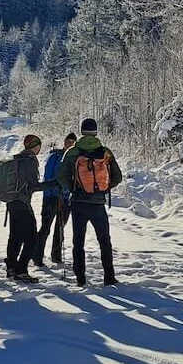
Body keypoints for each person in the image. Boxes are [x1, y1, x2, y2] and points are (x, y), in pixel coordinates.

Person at [57, 119, 122, 287]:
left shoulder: (72, 152)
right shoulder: (105, 151)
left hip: (78, 203)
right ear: (96, 131)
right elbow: (117, 177)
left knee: (78, 241)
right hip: (98, 204)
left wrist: (73, 188)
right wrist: (103, 188)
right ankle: (109, 277)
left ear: (82, 131)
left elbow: (61, 177)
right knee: (104, 240)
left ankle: (81, 278)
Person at [5, 135, 45, 282]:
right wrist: (53, 184)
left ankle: (11, 268)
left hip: (11, 202)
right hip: (22, 204)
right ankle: (21, 270)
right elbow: (33, 186)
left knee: (15, 236)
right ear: (35, 146)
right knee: (32, 237)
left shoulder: (17, 159)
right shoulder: (30, 161)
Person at [34, 133, 75, 266]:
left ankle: (56, 255)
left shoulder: (74, 159)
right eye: (68, 142)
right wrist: (54, 190)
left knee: (60, 229)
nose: (70, 144)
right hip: (51, 198)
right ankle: (37, 255)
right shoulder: (55, 156)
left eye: (73, 142)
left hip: (66, 198)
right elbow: (47, 177)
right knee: (45, 228)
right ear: (64, 142)